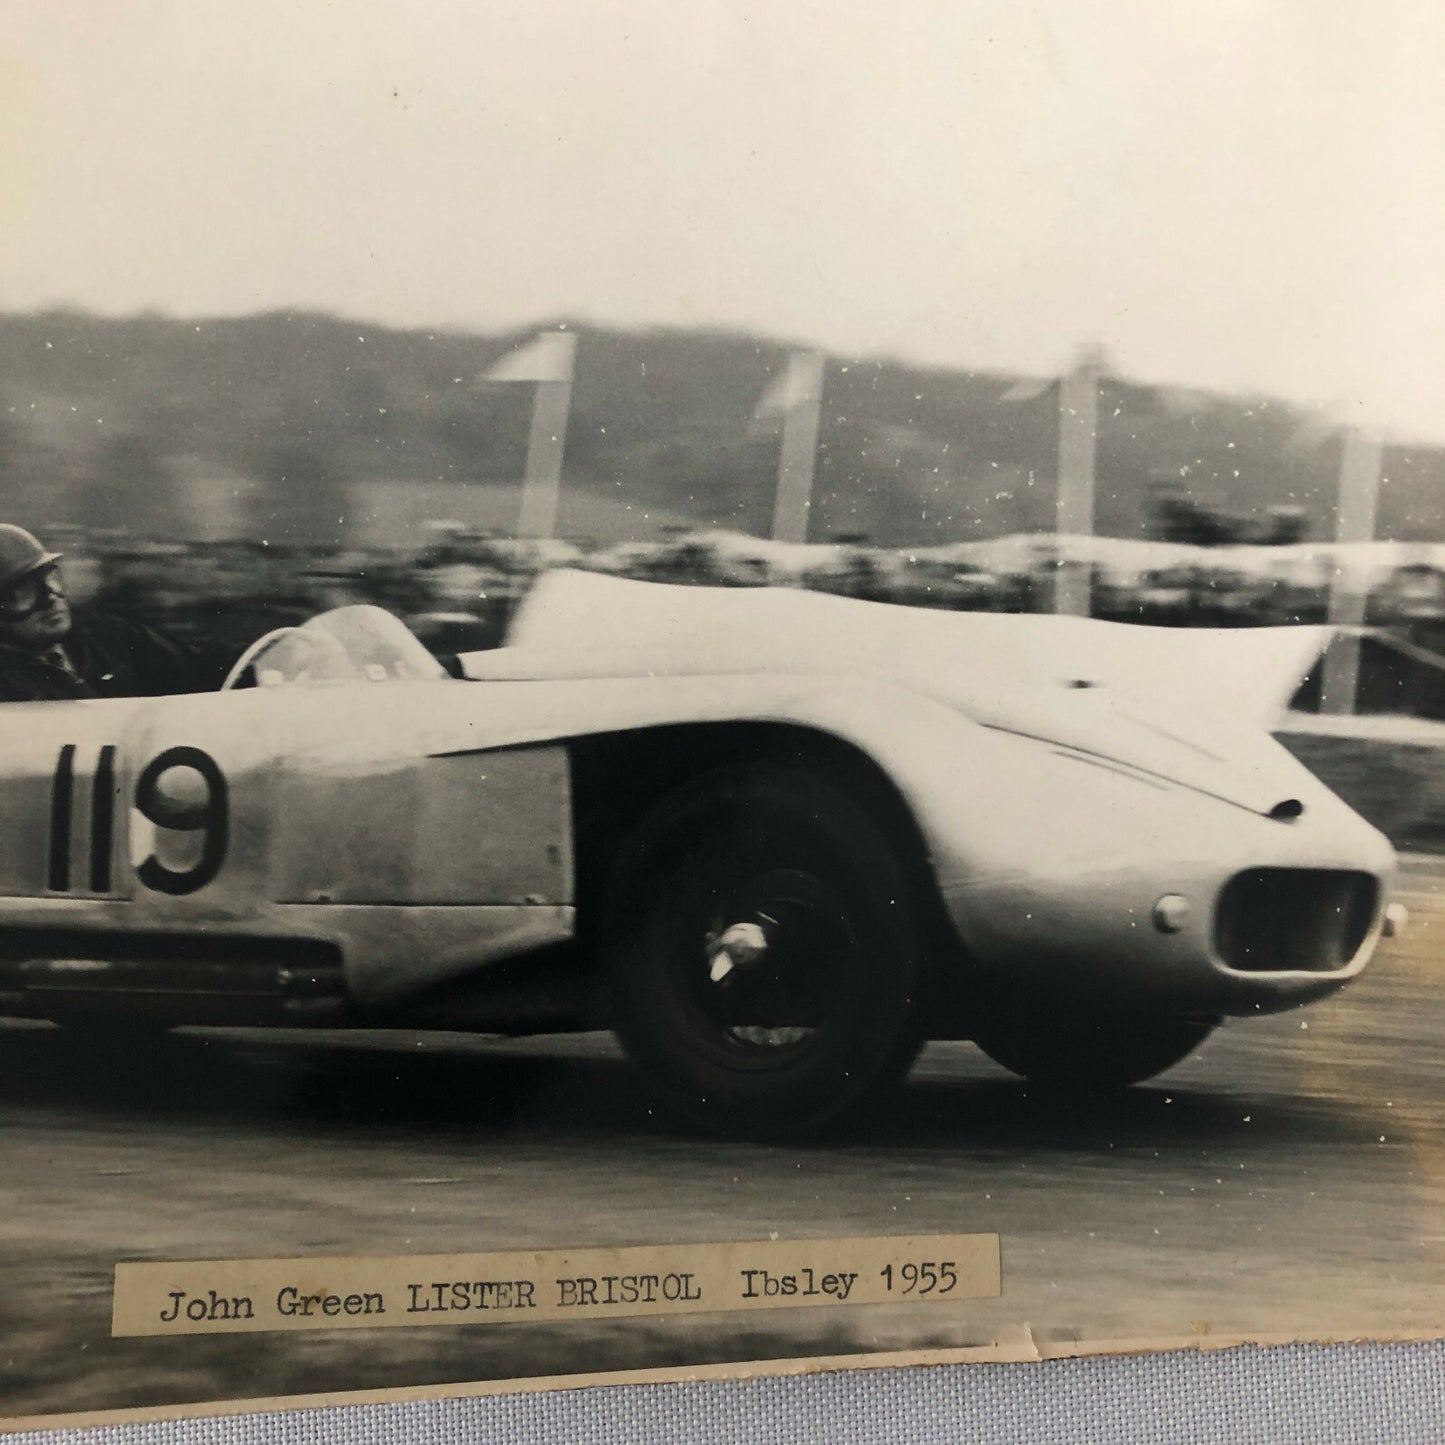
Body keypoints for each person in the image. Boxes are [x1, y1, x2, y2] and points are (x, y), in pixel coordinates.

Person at [0, 526, 236, 703]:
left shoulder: (105, 638)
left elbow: (200, 664)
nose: (50, 598)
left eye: (50, 579)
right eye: (22, 594)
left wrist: (264, 658)